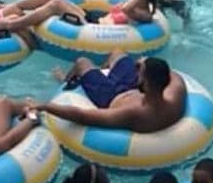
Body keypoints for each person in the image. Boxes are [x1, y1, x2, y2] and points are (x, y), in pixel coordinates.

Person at [41, 54, 186, 133]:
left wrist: (45, 106)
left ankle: (64, 80)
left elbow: (81, 116)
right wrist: (146, 62)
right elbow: (174, 76)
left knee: (82, 62)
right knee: (117, 53)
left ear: (145, 81)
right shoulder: (174, 97)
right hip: (130, 88)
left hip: (108, 95)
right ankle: (103, 73)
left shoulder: (135, 113)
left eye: (140, 73)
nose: (138, 73)